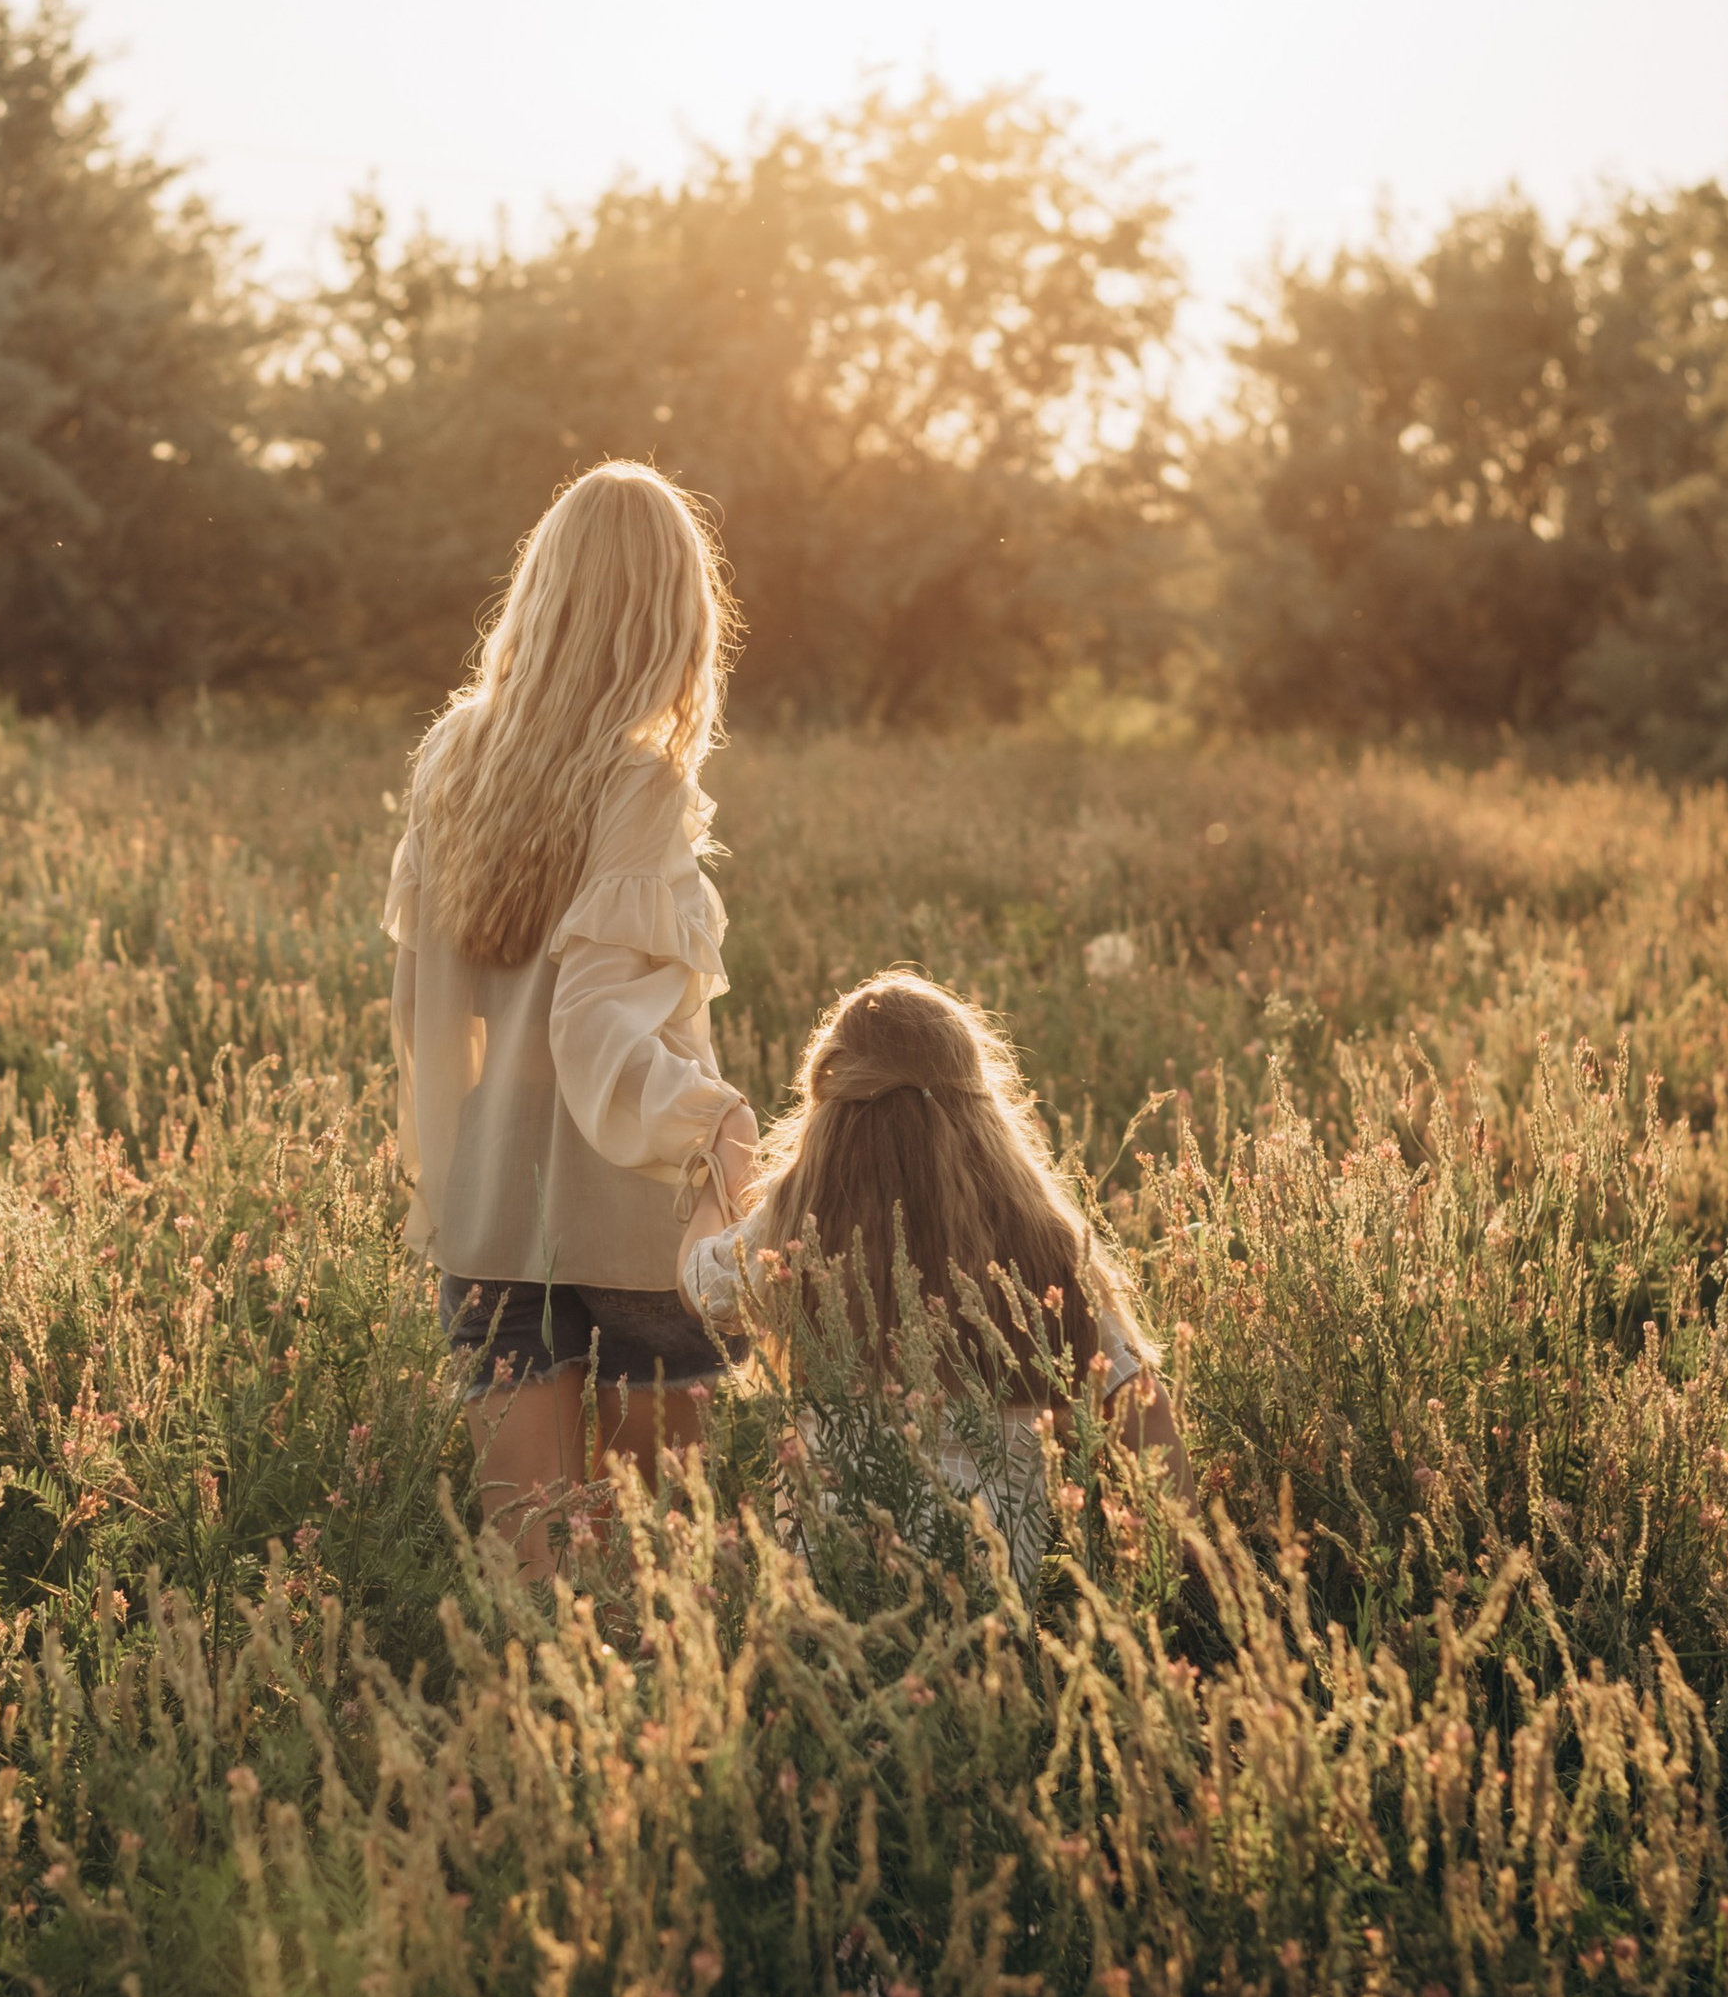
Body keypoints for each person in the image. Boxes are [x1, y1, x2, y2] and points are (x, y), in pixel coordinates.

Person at [385, 461, 760, 1573]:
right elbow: (596, 1025)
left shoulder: (455, 756)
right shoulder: (639, 784)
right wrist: (717, 1117)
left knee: (537, 1570)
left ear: (541, 589)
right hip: (637, 1217)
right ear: (671, 621)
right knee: (653, 1578)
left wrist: (462, 1163)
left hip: (490, 1212)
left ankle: (536, 1746)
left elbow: (422, 1006)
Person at [676, 969, 1191, 1509]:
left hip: (834, 1564)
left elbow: (699, 1284)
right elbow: (1139, 1400)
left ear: (830, 1108)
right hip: (990, 1569)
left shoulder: (803, 1216)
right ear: (978, 1101)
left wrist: (718, 1180)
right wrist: (1186, 1556)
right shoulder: (1042, 1236)